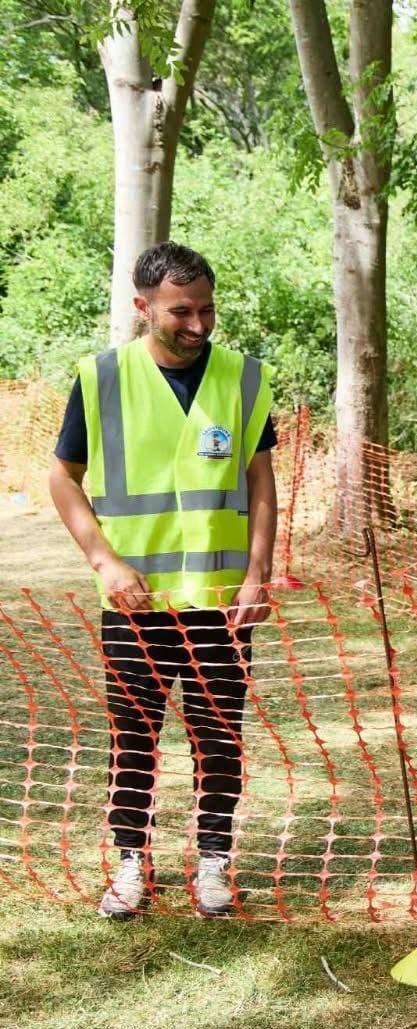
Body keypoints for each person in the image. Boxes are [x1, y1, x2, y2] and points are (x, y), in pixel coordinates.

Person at [48, 242, 276, 919]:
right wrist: (105, 563)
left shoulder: (243, 378)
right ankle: (130, 863)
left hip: (221, 605)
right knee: (134, 737)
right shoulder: (100, 378)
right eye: (182, 312)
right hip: (135, 604)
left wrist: (257, 573)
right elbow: (62, 478)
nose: (199, 326)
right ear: (142, 306)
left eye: (207, 309)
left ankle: (213, 862)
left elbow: (260, 480)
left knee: (219, 736)